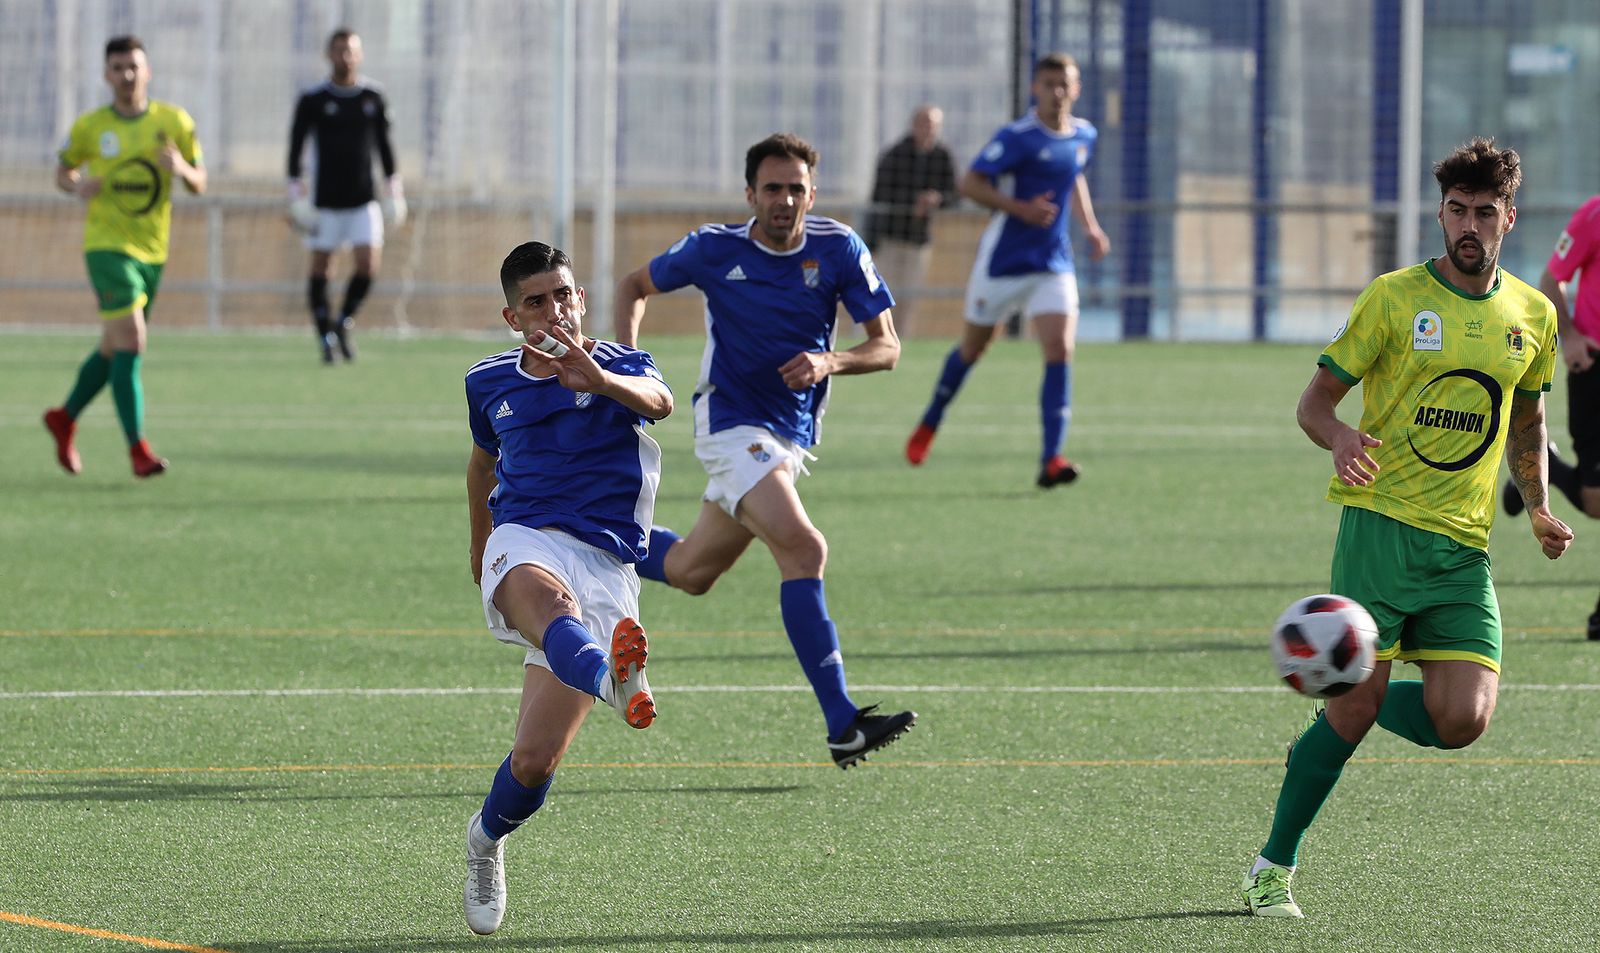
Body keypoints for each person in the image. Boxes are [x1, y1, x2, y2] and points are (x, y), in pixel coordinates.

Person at [1241, 138, 1572, 919]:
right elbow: (1314, 403)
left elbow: (1528, 418)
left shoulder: (1534, 314)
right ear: (1440, 211)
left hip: (1463, 550)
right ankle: (1269, 867)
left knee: (1464, 719)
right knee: (1354, 715)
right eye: (1456, 209)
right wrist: (1341, 437)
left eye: (1484, 213)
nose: (1468, 224)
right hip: (1380, 531)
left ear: (1508, 219)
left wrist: (1540, 503)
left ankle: (1341, 689)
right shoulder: (1392, 299)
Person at [614, 132, 918, 769]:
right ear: (750, 194)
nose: (785, 200)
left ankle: (592, 533)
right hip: (729, 424)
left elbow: (887, 347)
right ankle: (842, 722)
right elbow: (632, 287)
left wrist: (829, 359)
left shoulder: (838, 249)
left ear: (813, 193)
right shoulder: (712, 248)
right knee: (805, 547)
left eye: (797, 189)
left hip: (786, 437)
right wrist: (631, 367)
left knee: (693, 571)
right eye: (773, 188)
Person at [462, 241, 672, 935]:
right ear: (512, 317)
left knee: (533, 759)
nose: (555, 309)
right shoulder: (488, 380)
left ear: (581, 300)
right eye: (537, 300)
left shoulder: (621, 364)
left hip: (607, 564)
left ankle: (485, 840)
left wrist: (600, 382)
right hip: (523, 540)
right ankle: (619, 681)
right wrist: (478, 544)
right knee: (552, 605)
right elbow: (481, 465)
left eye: (565, 294)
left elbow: (661, 402)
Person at [904, 53, 1110, 488]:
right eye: (1048, 83)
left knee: (1060, 350)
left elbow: (1073, 176)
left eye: (1064, 84)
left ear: (1075, 89)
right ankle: (930, 420)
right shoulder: (1017, 137)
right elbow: (971, 183)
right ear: (1034, 87)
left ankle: (1051, 458)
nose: (1056, 92)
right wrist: (1020, 208)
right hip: (1004, 262)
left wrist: (1089, 227)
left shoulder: (1084, 134)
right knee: (972, 350)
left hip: (1053, 262)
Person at [42, 35, 205, 479]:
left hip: (153, 251)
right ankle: (138, 450)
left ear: (147, 71)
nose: (126, 75)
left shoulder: (173, 121)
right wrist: (76, 185)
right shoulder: (92, 127)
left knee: (114, 350)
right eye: (117, 67)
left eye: (133, 66)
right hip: (106, 247)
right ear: (105, 75)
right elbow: (62, 171)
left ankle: (65, 417)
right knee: (132, 339)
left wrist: (183, 170)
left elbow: (200, 182)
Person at [1500, 196, 1600, 640]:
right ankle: (1549, 468)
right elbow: (1550, 280)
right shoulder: (1593, 215)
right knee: (1597, 502)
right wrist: (1573, 337)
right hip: (1593, 365)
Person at [286, 27, 403, 364]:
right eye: (339, 50)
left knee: (368, 265)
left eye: (351, 50)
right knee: (322, 269)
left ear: (360, 55)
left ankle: (343, 321)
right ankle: (324, 333)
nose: (345, 57)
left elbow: (385, 147)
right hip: (324, 204)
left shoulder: (372, 97)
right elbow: (296, 148)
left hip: (363, 201)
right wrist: (296, 196)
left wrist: (394, 190)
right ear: (329, 54)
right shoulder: (314, 100)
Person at [863, 105, 959, 334]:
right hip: (890, 238)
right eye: (924, 123)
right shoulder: (895, 154)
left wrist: (936, 199)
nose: (928, 129)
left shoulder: (942, 155)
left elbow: (954, 193)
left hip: (918, 240)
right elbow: (881, 195)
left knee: (910, 299)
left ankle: (900, 342)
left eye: (933, 125)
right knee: (885, 295)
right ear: (914, 125)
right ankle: (879, 339)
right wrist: (912, 202)